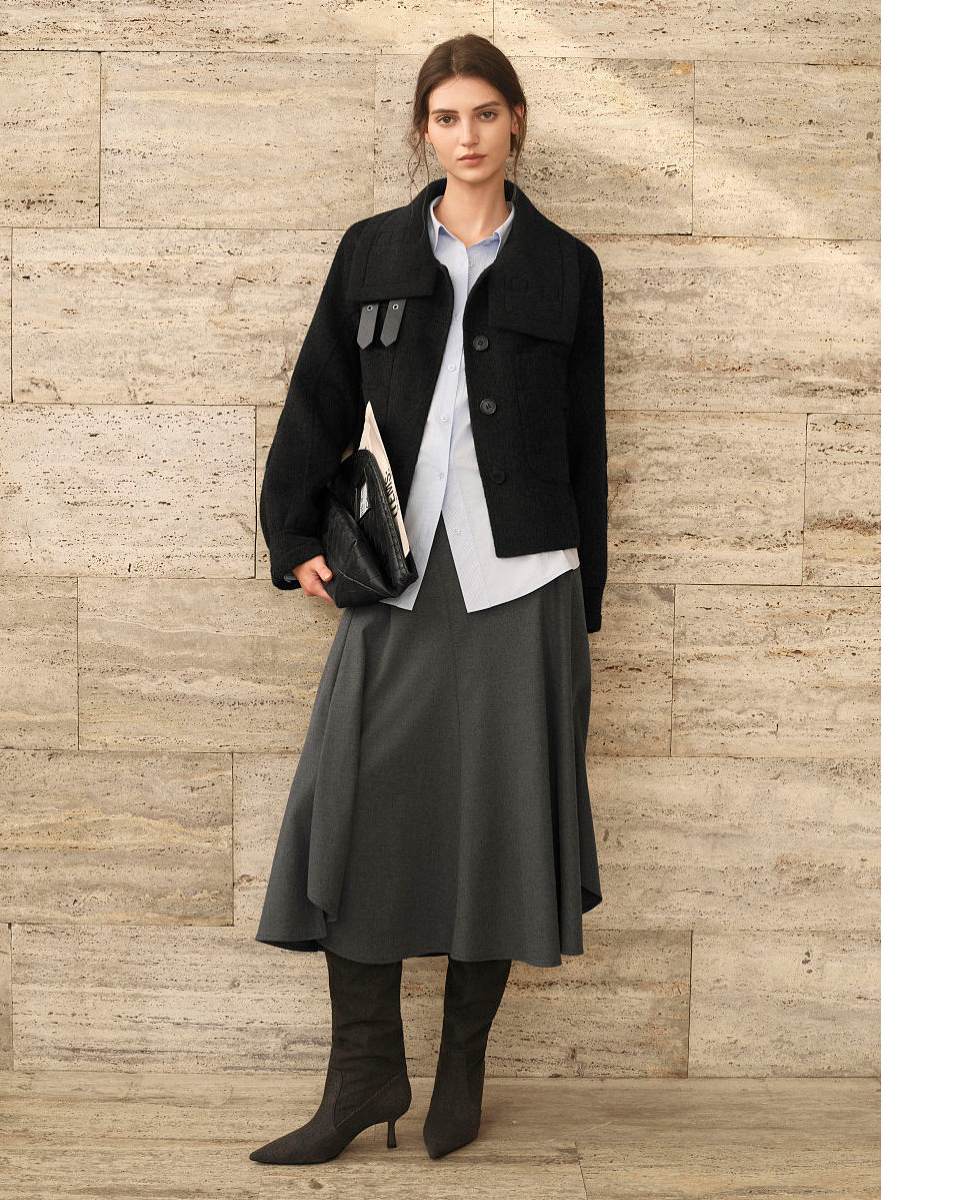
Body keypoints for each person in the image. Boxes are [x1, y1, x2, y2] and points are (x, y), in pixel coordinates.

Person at [251, 33, 607, 1165]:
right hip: (399, 577)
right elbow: (318, 393)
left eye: (486, 113)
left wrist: (582, 604)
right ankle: (364, 1076)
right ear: (424, 131)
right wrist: (292, 535)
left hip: (525, 582)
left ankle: (461, 1066)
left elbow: (587, 442)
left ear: (516, 123)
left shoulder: (566, 267)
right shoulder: (370, 253)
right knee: (352, 805)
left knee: (501, 818)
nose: (468, 135)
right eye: (448, 117)